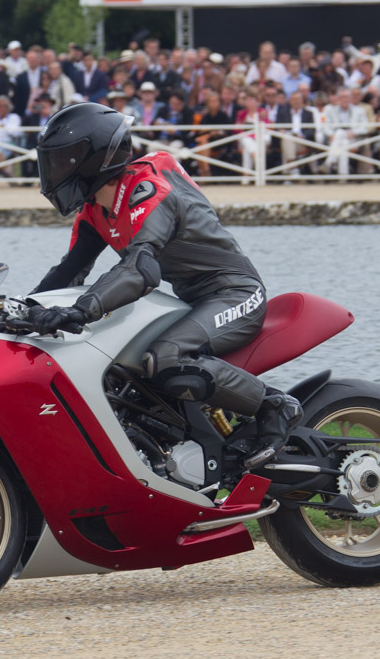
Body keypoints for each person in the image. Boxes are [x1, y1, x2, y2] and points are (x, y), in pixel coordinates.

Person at [29, 103, 302, 468]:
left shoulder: (148, 191)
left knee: (165, 358)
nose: (56, 171)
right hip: (191, 302)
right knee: (121, 368)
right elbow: (67, 273)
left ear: (93, 160)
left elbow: (141, 270)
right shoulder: (95, 210)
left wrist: (82, 310)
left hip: (235, 292)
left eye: (64, 160)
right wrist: (22, 308)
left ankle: (274, 405)